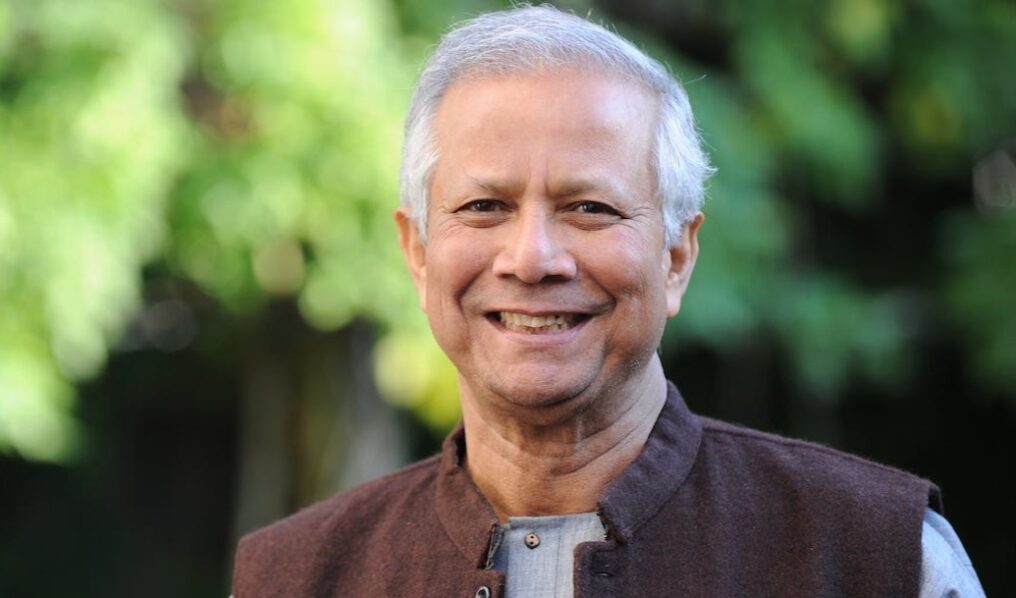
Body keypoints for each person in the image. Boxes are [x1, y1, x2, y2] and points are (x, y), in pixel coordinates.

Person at [231, 6, 985, 597]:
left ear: (677, 255)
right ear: (418, 252)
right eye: (484, 207)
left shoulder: (878, 557)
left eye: (590, 208)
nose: (532, 259)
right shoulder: (294, 579)